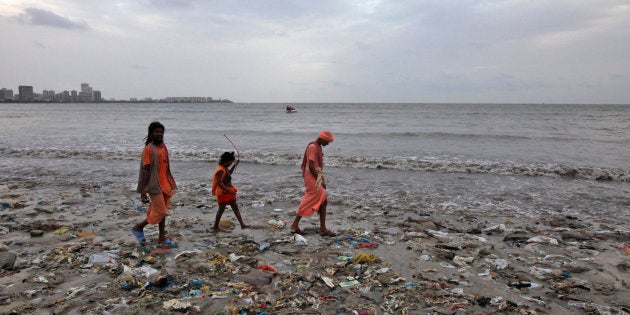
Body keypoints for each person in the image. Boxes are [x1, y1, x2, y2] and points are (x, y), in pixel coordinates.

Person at [131, 121, 178, 247]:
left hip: (165, 184)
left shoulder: (163, 147)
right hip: (154, 185)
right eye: (157, 132)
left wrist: (170, 181)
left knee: (163, 211)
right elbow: (145, 170)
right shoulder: (149, 149)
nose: (159, 134)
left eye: (161, 132)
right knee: (161, 210)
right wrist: (143, 190)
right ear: (151, 133)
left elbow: (166, 165)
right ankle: (138, 227)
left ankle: (161, 238)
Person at [290, 130, 337, 237]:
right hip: (311, 176)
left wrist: (321, 179)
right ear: (322, 139)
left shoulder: (318, 147)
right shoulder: (313, 147)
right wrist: (318, 181)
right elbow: (311, 166)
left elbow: (316, 166)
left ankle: (322, 228)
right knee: (310, 198)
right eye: (327, 141)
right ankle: (296, 225)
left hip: (315, 175)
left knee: (323, 200)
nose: (328, 144)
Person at [211, 151, 250, 232]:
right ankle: (215, 227)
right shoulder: (220, 170)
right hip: (223, 192)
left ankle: (242, 224)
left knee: (235, 207)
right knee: (221, 209)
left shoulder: (224, 167)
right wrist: (228, 190)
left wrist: (235, 165)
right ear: (227, 161)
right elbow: (219, 182)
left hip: (229, 191)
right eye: (231, 162)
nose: (231, 163)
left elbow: (229, 173)